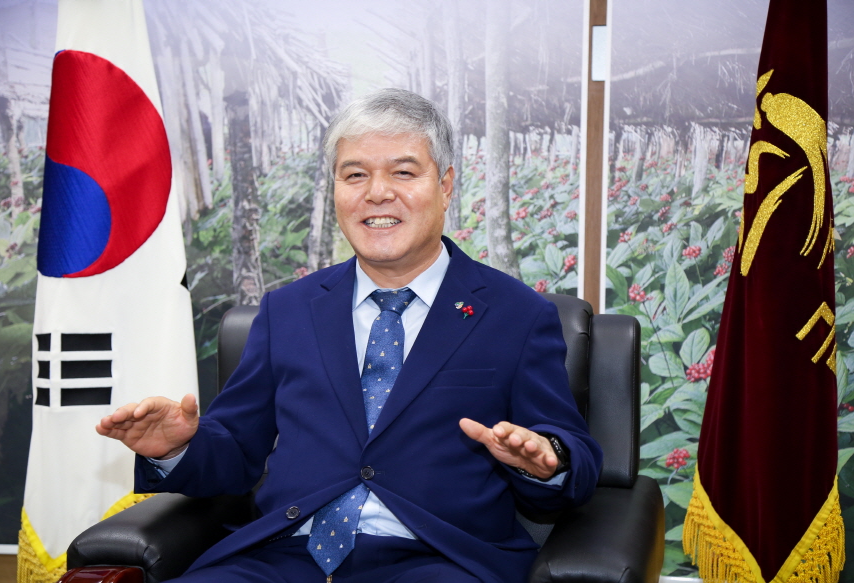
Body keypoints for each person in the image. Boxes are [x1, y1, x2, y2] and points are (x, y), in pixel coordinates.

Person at [97, 88, 602, 583]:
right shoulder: (287, 310)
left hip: (439, 560)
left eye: (403, 172)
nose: (377, 192)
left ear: (446, 185)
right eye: (355, 174)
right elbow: (235, 452)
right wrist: (176, 448)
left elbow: (573, 456)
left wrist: (545, 461)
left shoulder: (516, 314)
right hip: (281, 557)